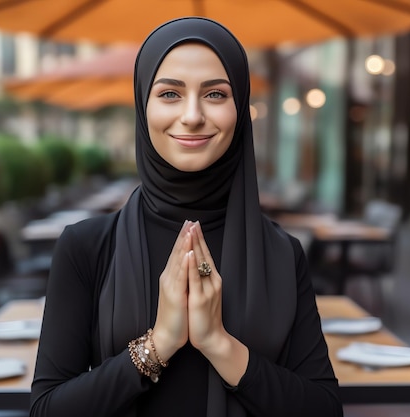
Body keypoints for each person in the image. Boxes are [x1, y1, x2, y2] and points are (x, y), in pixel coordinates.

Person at [30, 16, 343, 417]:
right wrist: (158, 343)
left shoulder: (281, 253)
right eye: (170, 94)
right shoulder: (86, 247)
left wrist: (219, 344)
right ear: (143, 107)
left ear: (240, 108)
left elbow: (326, 410)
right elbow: (46, 410)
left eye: (215, 94)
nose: (193, 115)